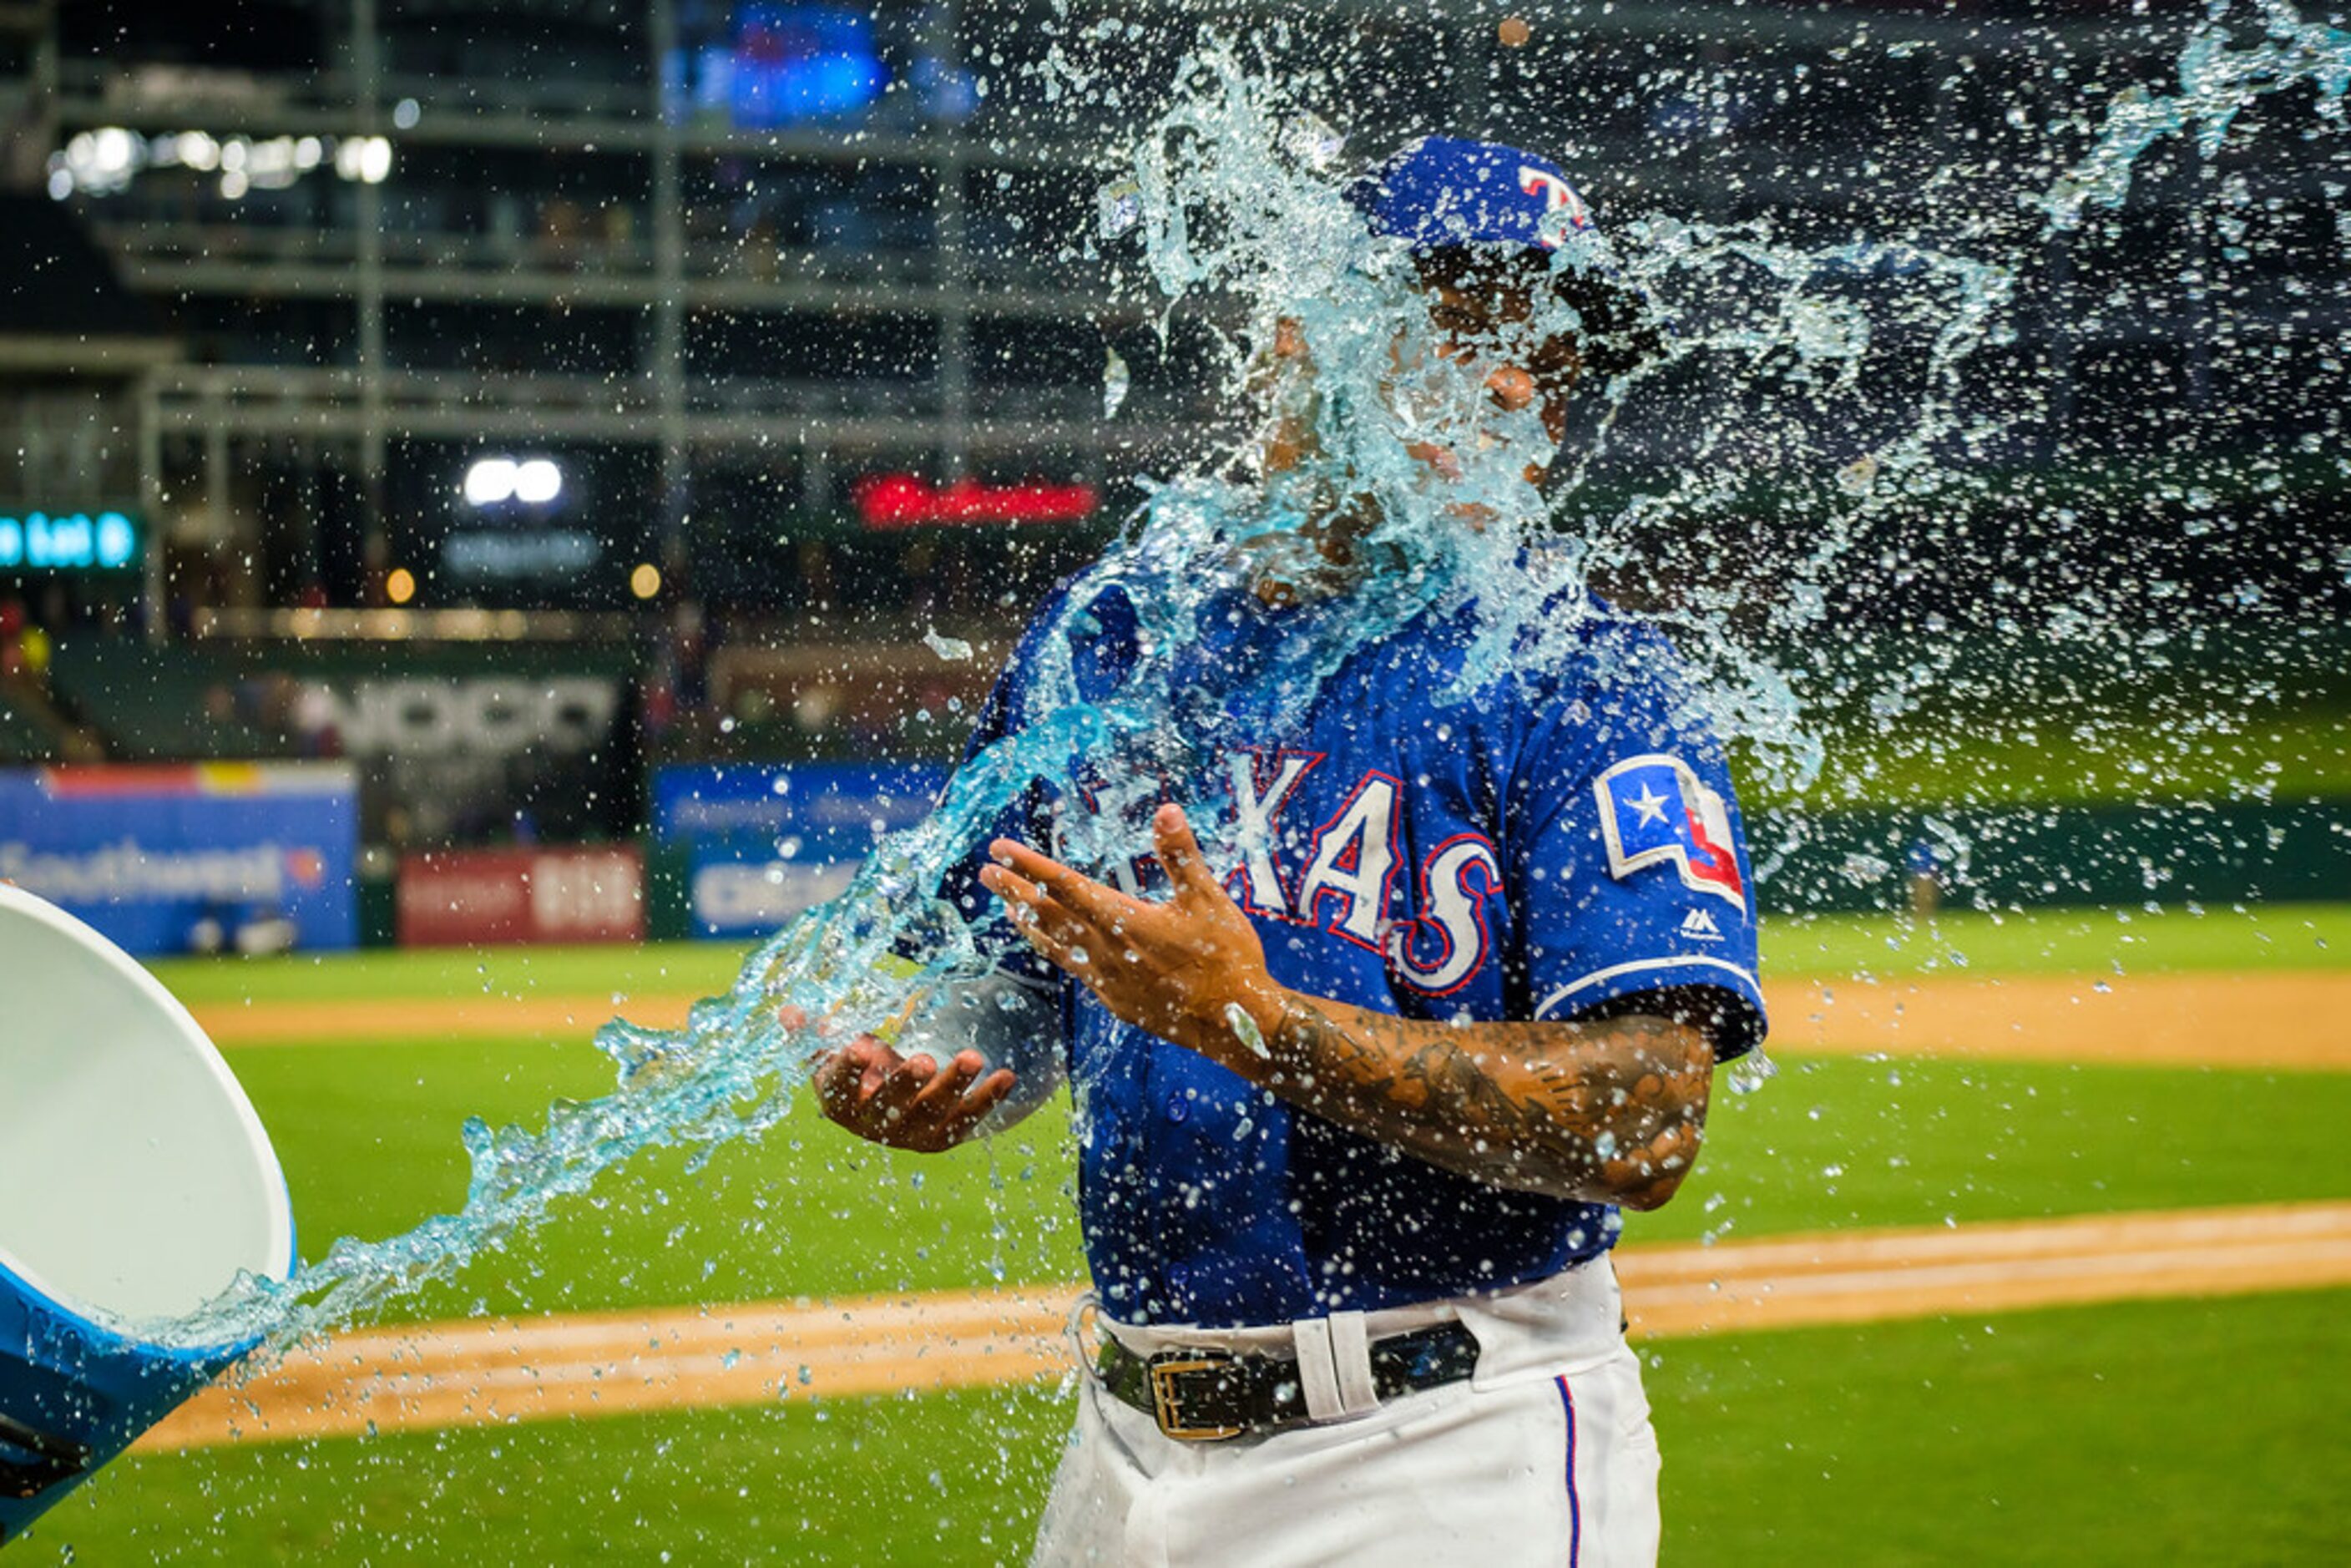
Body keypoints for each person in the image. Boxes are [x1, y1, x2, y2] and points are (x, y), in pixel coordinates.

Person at [809, 137, 1766, 1566]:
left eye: (1553, 360)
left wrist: (1257, 1021)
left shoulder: (1582, 675)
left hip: (1450, 1446)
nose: (1519, 386)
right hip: (1125, 1443)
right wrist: (939, 1058)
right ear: (1310, 328)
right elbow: (1015, 972)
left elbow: (1645, 1112)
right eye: (1477, 326)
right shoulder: (1116, 630)